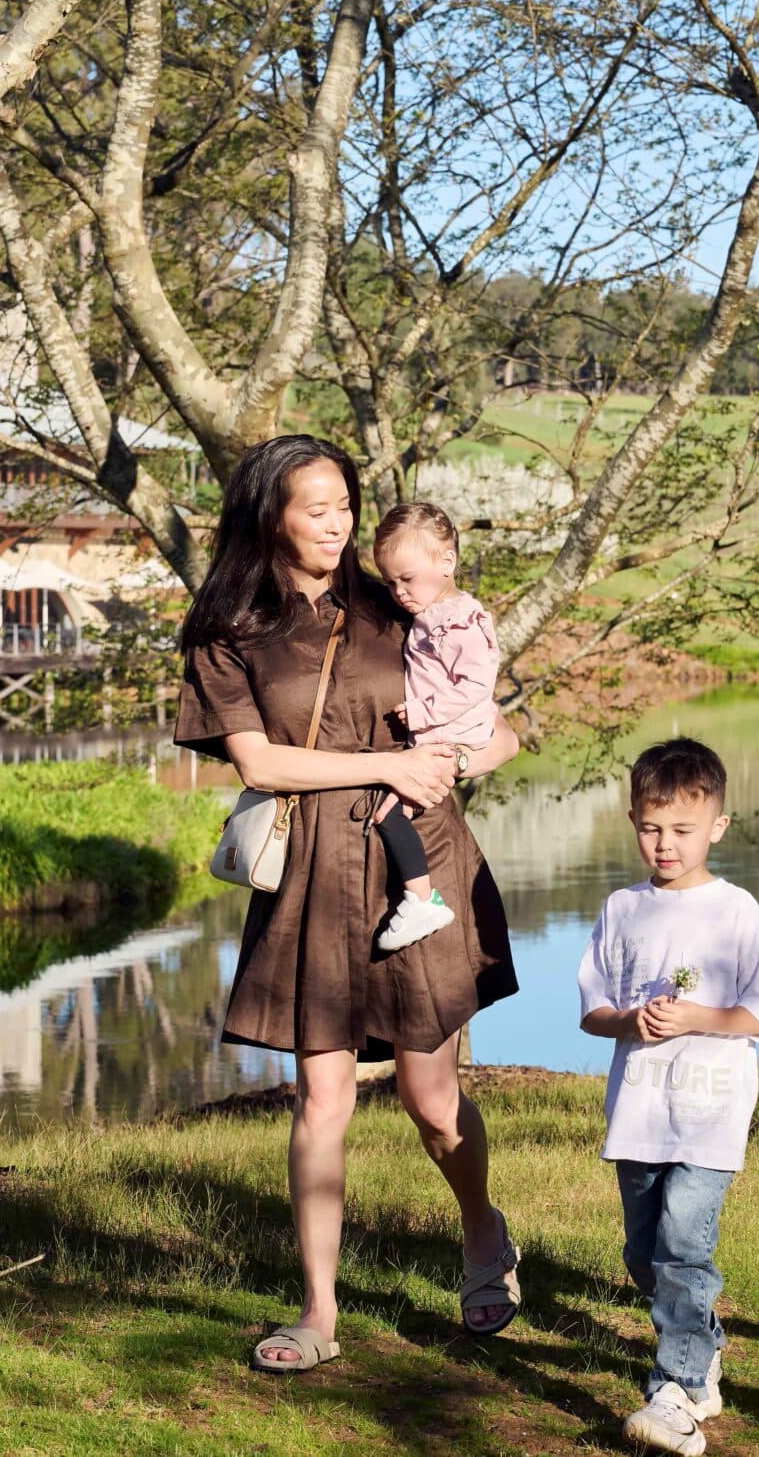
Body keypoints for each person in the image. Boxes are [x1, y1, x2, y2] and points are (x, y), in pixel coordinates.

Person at [174, 434, 526, 1375]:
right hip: (311, 875)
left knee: (429, 1093)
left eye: (344, 505)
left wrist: (450, 762)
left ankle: (484, 1231)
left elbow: (502, 727)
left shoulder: (395, 599)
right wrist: (384, 762)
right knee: (320, 1092)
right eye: (316, 507)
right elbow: (257, 762)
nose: (336, 523)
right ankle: (320, 1310)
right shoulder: (228, 629)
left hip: (418, 863)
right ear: (270, 515)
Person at [578, 738, 759, 1457]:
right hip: (639, 1114)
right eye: (650, 827)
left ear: (717, 827)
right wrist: (630, 1019)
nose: (664, 844)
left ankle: (672, 1390)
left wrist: (698, 1018)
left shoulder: (737, 911)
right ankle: (703, 1353)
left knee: (683, 1247)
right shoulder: (622, 908)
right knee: (644, 1253)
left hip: (710, 1115)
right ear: (633, 819)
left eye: (682, 830)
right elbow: (592, 1009)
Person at [370, 503, 504, 952]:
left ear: (446, 563)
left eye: (407, 579)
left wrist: (423, 711)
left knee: (389, 814)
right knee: (392, 814)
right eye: (390, 582)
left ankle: (421, 900)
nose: (399, 592)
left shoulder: (461, 620)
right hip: (442, 733)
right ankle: (422, 897)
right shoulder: (433, 614)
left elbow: (477, 684)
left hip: (452, 733)